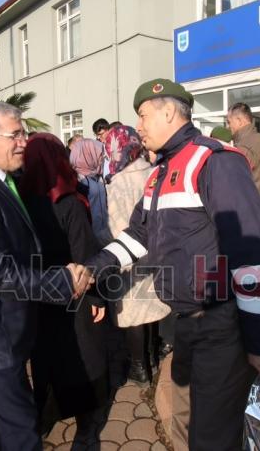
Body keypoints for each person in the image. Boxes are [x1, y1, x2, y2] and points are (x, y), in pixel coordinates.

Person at [83, 78, 260, 451]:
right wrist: (94, 268)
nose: (137, 126)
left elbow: (251, 255)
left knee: (211, 435)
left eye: (142, 116)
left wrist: (259, 342)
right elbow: (137, 235)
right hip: (185, 323)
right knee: (184, 424)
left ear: (169, 111)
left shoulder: (215, 161)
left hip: (220, 324)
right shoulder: (159, 173)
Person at [0, 102, 90, 451]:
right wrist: (63, 281)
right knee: (21, 434)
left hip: (2, 332)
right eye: (16, 134)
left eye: (24, 133)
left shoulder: (0, 181)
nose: (24, 141)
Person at [19, 133, 109, 443]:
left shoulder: (18, 199)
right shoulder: (68, 201)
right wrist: (97, 295)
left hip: (36, 291)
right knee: (80, 352)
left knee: (43, 354)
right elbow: (84, 253)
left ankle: (45, 412)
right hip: (73, 289)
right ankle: (84, 416)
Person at [103, 125, 161, 384]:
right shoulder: (154, 172)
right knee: (152, 306)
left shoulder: (119, 182)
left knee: (134, 313)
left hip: (130, 254)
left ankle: (139, 369)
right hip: (156, 250)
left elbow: (116, 226)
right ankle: (153, 359)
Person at [70, 138, 111, 245]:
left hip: (105, 234)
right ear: (88, 155)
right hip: (90, 237)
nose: (102, 158)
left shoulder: (95, 175)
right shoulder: (77, 179)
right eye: (98, 154)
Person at [227, 102, 260, 192]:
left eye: (229, 122)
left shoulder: (243, 147)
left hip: (250, 202)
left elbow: (235, 184)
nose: (228, 126)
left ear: (239, 121)